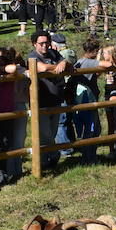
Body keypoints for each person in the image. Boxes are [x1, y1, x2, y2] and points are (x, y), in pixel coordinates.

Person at [28, 31, 68, 167]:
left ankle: (48, 160)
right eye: (41, 43)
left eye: (47, 43)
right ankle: (48, 158)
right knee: (45, 134)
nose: (45, 46)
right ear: (35, 44)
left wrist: (63, 63)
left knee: (53, 131)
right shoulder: (33, 56)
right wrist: (58, 66)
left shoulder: (53, 53)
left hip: (56, 100)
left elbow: (66, 62)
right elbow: (42, 68)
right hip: (41, 102)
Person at [0, 45, 26, 184]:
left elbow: (14, 68)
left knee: (4, 145)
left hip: (6, 113)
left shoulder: (9, 71)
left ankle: (3, 175)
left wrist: (0, 67)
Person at [68, 37, 103, 164]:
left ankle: (88, 156)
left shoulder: (80, 61)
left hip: (80, 99)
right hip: (86, 99)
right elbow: (108, 65)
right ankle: (89, 157)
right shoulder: (88, 62)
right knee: (91, 129)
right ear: (94, 51)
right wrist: (100, 57)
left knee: (89, 129)